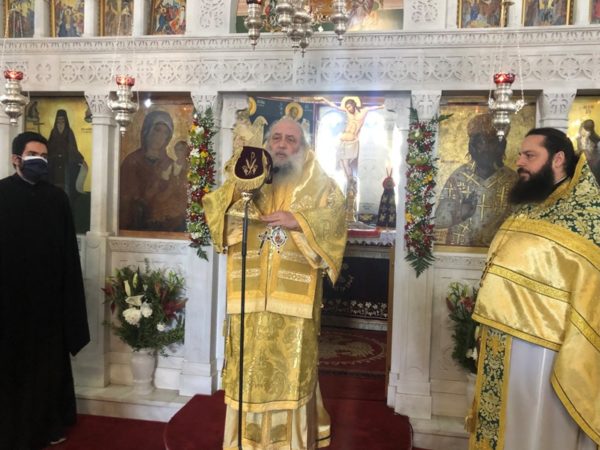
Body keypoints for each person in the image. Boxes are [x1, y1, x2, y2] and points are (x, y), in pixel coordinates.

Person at [203, 117, 347, 450]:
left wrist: (299, 221)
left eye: (290, 139)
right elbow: (214, 209)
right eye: (276, 138)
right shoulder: (251, 174)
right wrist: (239, 190)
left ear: (303, 147)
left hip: (294, 302)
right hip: (249, 297)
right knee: (249, 369)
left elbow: (337, 220)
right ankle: (245, 441)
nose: (281, 144)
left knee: (291, 370)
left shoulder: (320, 183)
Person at [468, 128, 600, 450]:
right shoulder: (529, 206)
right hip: (502, 340)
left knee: (536, 430)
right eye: (520, 155)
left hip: (547, 351)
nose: (519, 162)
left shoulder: (587, 215)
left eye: (530, 155)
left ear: (558, 159)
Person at [0, 132, 90, 449]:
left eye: (44, 156)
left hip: (47, 302)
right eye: (33, 154)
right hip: (9, 303)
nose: (40, 160)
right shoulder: (2, 194)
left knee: (47, 368)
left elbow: (67, 252)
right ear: (16, 159)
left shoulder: (57, 198)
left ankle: (50, 424)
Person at [435, 113, 518, 247]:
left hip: (497, 250)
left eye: (492, 143)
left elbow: (521, 221)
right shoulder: (459, 177)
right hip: (460, 249)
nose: (485, 149)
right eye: (480, 143)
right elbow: (438, 220)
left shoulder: (512, 179)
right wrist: (461, 212)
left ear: (500, 147)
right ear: (473, 147)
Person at [317, 96, 384, 221]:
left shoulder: (363, 112)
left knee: (346, 163)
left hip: (352, 141)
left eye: (350, 107)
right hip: (343, 141)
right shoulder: (348, 112)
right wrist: (324, 99)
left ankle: (350, 181)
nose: (348, 109)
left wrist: (383, 105)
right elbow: (336, 106)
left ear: (354, 105)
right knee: (343, 163)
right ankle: (349, 180)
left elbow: (374, 107)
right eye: (347, 107)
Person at [119, 110, 177, 231]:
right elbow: (125, 198)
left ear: (168, 138)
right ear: (147, 130)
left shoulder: (170, 165)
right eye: (157, 130)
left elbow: (175, 199)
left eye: (165, 133)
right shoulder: (132, 161)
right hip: (135, 225)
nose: (159, 137)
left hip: (163, 226)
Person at [47, 109, 86, 200]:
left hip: (66, 163)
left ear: (66, 120)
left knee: (67, 183)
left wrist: (79, 158)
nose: (60, 122)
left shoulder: (69, 131)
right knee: (54, 183)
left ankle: (67, 200)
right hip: (55, 162)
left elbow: (73, 147)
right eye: (59, 120)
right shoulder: (53, 131)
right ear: (56, 120)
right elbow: (49, 146)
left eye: (62, 120)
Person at [576, 118, 600, 184]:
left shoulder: (593, 140)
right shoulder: (582, 138)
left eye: (582, 128)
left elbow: (589, 158)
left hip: (592, 169)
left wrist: (583, 147)